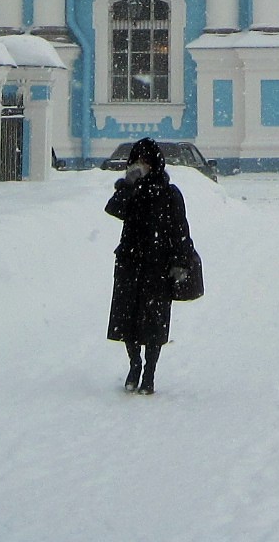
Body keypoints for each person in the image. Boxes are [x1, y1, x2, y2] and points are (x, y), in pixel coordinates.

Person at [105, 138, 192, 395]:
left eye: (145, 161)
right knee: (127, 319)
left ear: (155, 164)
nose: (141, 165)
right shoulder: (131, 190)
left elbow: (180, 230)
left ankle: (150, 373)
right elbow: (113, 209)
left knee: (154, 323)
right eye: (137, 161)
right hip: (130, 263)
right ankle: (135, 365)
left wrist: (180, 262)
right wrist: (128, 185)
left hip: (158, 266)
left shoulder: (169, 192)